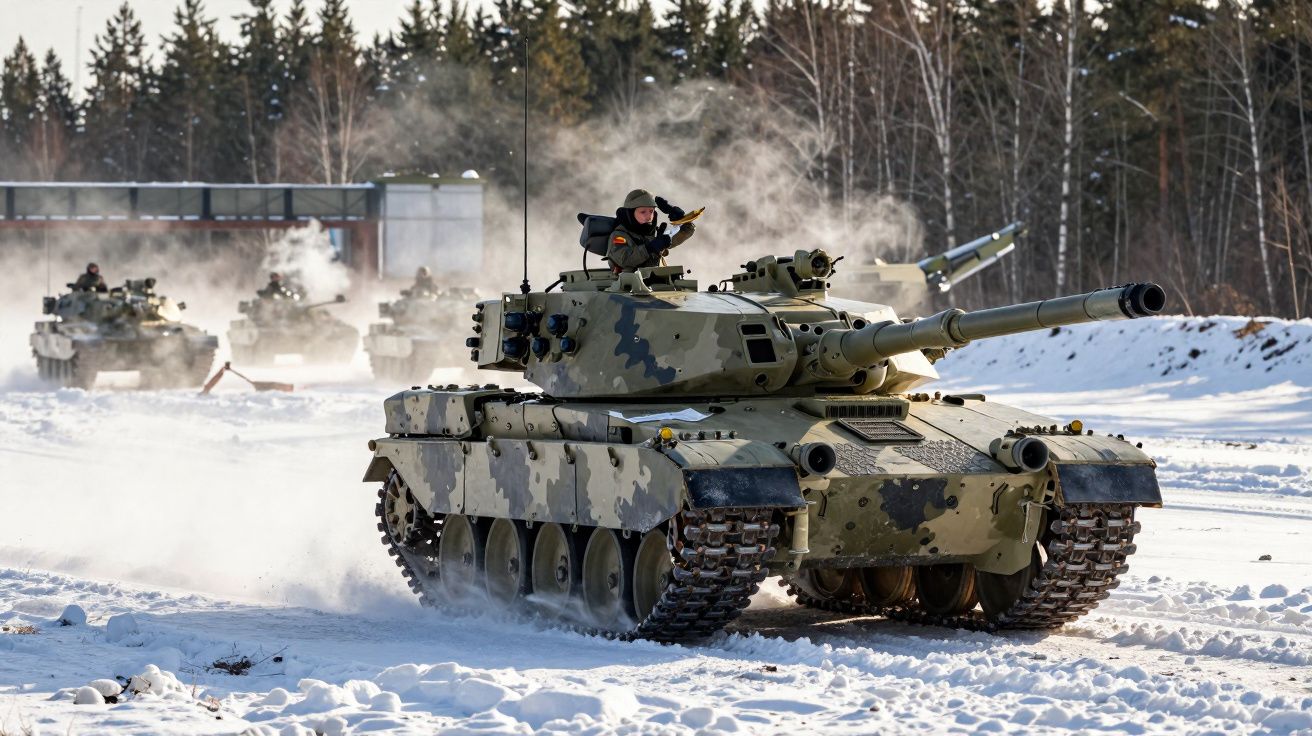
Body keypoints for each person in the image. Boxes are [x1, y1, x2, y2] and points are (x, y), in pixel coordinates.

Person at [605, 189, 697, 272]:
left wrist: (681, 220)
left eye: (651, 211)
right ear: (630, 213)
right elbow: (624, 260)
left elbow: (678, 236)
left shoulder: (652, 233)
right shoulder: (619, 236)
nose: (649, 216)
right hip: (628, 285)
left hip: (655, 281)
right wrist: (649, 248)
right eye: (643, 212)